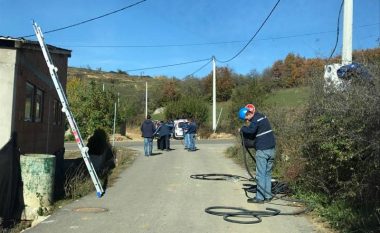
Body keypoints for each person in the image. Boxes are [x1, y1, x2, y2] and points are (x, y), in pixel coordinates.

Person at [239, 104, 276, 204]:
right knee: (267, 174)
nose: (247, 121)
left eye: (246, 118)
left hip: (263, 150)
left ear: (247, 114)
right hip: (271, 150)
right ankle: (268, 196)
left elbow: (251, 131)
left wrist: (242, 129)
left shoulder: (255, 120)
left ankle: (259, 198)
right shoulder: (262, 117)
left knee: (260, 174)